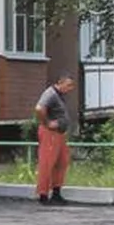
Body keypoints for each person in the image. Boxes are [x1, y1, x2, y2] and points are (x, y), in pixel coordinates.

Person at [34, 75, 76, 205]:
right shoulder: (50, 93)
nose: (70, 89)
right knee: (47, 163)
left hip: (59, 133)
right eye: (68, 85)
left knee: (62, 161)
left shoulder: (60, 95)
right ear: (61, 83)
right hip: (50, 133)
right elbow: (39, 108)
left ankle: (56, 192)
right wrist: (47, 123)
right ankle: (43, 195)